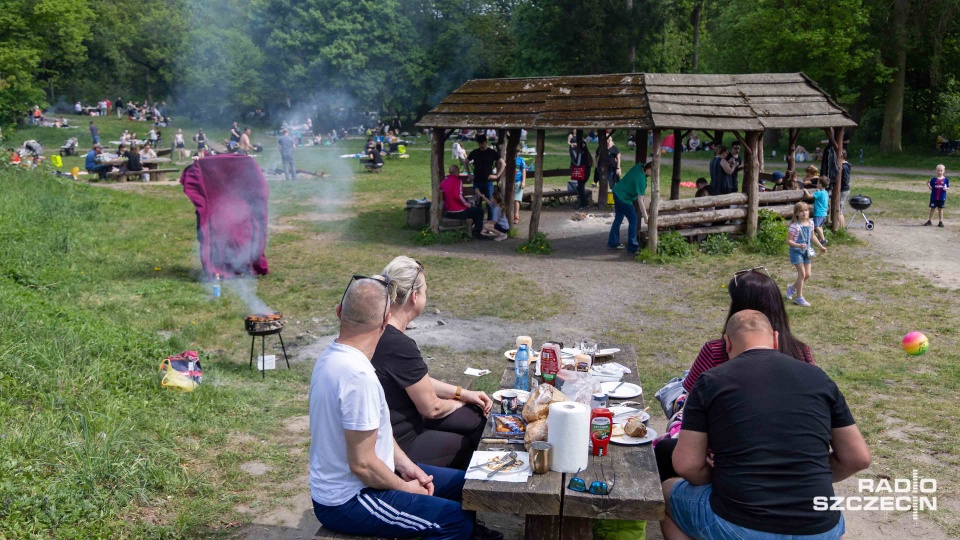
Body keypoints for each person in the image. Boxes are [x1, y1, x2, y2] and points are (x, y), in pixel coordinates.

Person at [309, 275, 501, 540]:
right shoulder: (357, 377)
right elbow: (363, 465)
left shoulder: (333, 357)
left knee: (465, 486)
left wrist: (407, 466)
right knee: (455, 522)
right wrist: (405, 487)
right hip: (349, 499)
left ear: (339, 312)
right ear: (385, 321)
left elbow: (377, 434)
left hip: (365, 481)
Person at [660, 309, 871, 540]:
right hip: (821, 527)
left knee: (667, 493)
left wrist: (717, 477)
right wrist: (806, 475)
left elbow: (687, 465)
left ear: (727, 343)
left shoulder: (711, 381)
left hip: (739, 522)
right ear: (775, 339)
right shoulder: (819, 378)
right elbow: (857, 458)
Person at [371, 257, 494, 471]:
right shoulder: (399, 344)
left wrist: (462, 393)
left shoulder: (376, 329)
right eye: (425, 291)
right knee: (467, 441)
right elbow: (432, 409)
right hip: (399, 443)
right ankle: (465, 487)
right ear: (415, 297)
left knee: (474, 417)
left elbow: (415, 380)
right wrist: (458, 403)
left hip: (391, 429)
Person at [786, 202, 826, 307]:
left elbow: (812, 236)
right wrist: (798, 245)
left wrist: (820, 247)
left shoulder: (811, 223)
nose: (804, 213)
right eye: (801, 211)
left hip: (807, 252)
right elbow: (788, 241)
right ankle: (799, 298)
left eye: (806, 210)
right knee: (802, 274)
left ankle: (792, 288)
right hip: (796, 252)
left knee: (807, 274)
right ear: (796, 214)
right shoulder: (794, 226)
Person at [607, 161, 649, 253]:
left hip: (617, 191)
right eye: (653, 171)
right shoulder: (641, 181)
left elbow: (643, 164)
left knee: (618, 218)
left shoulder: (638, 166)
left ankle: (613, 242)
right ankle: (633, 246)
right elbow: (640, 201)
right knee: (633, 219)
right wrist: (646, 217)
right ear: (649, 169)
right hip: (624, 198)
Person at [465, 135, 503, 221]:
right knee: (477, 202)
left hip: (488, 181)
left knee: (490, 203)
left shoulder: (492, 152)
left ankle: (491, 222)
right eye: (479, 143)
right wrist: (469, 174)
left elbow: (503, 163)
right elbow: (465, 162)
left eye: (482, 143)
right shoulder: (475, 152)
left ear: (486, 142)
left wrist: (497, 175)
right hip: (477, 181)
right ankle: (477, 222)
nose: (481, 145)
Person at [440, 165, 484, 239]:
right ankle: (477, 233)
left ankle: (469, 229)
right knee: (479, 211)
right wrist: (467, 204)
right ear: (456, 172)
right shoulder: (457, 181)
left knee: (473, 211)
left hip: (448, 211)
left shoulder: (444, 181)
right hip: (458, 211)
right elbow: (458, 196)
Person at [570, 132, 594, 210]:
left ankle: (583, 204)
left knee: (580, 188)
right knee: (580, 187)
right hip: (585, 173)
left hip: (583, 173)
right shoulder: (586, 154)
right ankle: (584, 203)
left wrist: (574, 162)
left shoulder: (583, 155)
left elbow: (579, 163)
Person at [811, 176, 830, 246]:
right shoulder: (825, 192)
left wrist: (805, 191)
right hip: (824, 213)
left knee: (816, 226)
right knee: (820, 226)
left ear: (820, 185)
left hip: (818, 213)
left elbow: (810, 196)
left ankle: (823, 239)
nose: (816, 184)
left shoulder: (819, 193)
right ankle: (821, 239)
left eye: (817, 183)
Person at [512, 148, 526, 224]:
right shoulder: (509, 159)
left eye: (517, 152)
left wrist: (523, 181)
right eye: (515, 151)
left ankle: (516, 216)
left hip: (518, 181)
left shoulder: (521, 160)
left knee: (516, 199)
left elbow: (523, 171)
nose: (516, 153)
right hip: (510, 182)